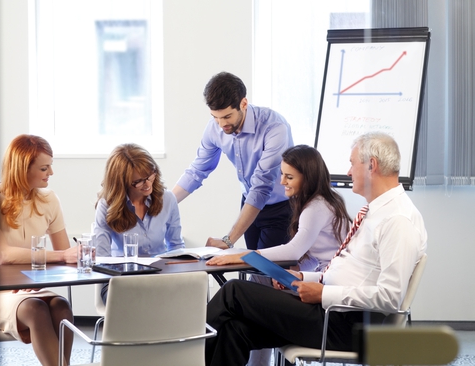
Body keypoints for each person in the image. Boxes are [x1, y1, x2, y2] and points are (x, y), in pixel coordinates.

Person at [205, 132, 428, 366]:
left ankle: (180, 356)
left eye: (352, 164)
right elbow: (351, 274)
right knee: (234, 329)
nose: (349, 172)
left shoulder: (398, 220)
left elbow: (391, 297)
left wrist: (323, 293)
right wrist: (304, 277)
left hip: (346, 323)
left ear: (371, 166)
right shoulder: (376, 212)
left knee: (234, 291)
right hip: (333, 313)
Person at [0, 134, 79, 366]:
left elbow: (66, 257)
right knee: (35, 308)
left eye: (51, 166)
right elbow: (4, 255)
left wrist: (47, 273)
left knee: (61, 305)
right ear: (22, 169)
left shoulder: (49, 199)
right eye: (44, 168)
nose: (51, 173)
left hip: (30, 289)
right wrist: (60, 257)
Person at [173, 71, 294, 253]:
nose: (221, 124)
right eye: (216, 117)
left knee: (268, 274)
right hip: (249, 203)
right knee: (252, 269)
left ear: (243, 103)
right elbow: (197, 171)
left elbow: (262, 186)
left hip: (281, 208)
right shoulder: (215, 127)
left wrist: (228, 240)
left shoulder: (274, 127)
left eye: (227, 116)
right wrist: (163, 204)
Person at [207, 144, 351, 272]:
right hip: (327, 276)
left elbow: (294, 250)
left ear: (308, 178)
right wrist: (298, 271)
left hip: (331, 281)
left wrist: (244, 256)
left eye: (289, 177)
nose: (282, 182)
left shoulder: (316, 208)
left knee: (235, 289)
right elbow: (317, 254)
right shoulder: (323, 202)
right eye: (282, 174)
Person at [95, 143, 185, 300]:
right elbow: (102, 258)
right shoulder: (107, 205)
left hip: (160, 275)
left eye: (150, 175)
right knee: (135, 298)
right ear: (121, 182)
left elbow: (176, 246)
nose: (148, 184)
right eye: (138, 181)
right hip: (119, 278)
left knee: (194, 288)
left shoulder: (167, 198)